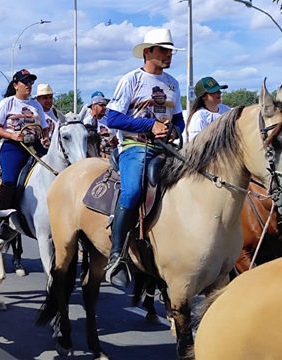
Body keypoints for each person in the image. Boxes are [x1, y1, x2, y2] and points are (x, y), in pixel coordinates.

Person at [104, 28, 185, 287]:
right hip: (134, 145)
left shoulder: (173, 83)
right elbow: (113, 117)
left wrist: (173, 130)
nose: (168, 54)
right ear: (147, 51)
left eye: (170, 50)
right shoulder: (131, 80)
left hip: (164, 148)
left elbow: (180, 120)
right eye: (163, 50)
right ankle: (116, 255)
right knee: (132, 192)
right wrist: (148, 127)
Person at [0, 69, 50, 240]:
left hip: (35, 145)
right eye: (25, 82)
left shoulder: (36, 105)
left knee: (54, 168)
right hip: (14, 146)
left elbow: (44, 127)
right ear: (16, 85)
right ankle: (3, 219)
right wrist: (13, 135)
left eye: (31, 82)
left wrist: (45, 138)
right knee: (10, 178)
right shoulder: (8, 103)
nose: (29, 86)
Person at [184, 77, 230, 142]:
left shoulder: (226, 109)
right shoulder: (199, 116)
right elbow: (197, 144)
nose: (219, 92)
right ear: (203, 96)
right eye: (214, 91)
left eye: (219, 90)